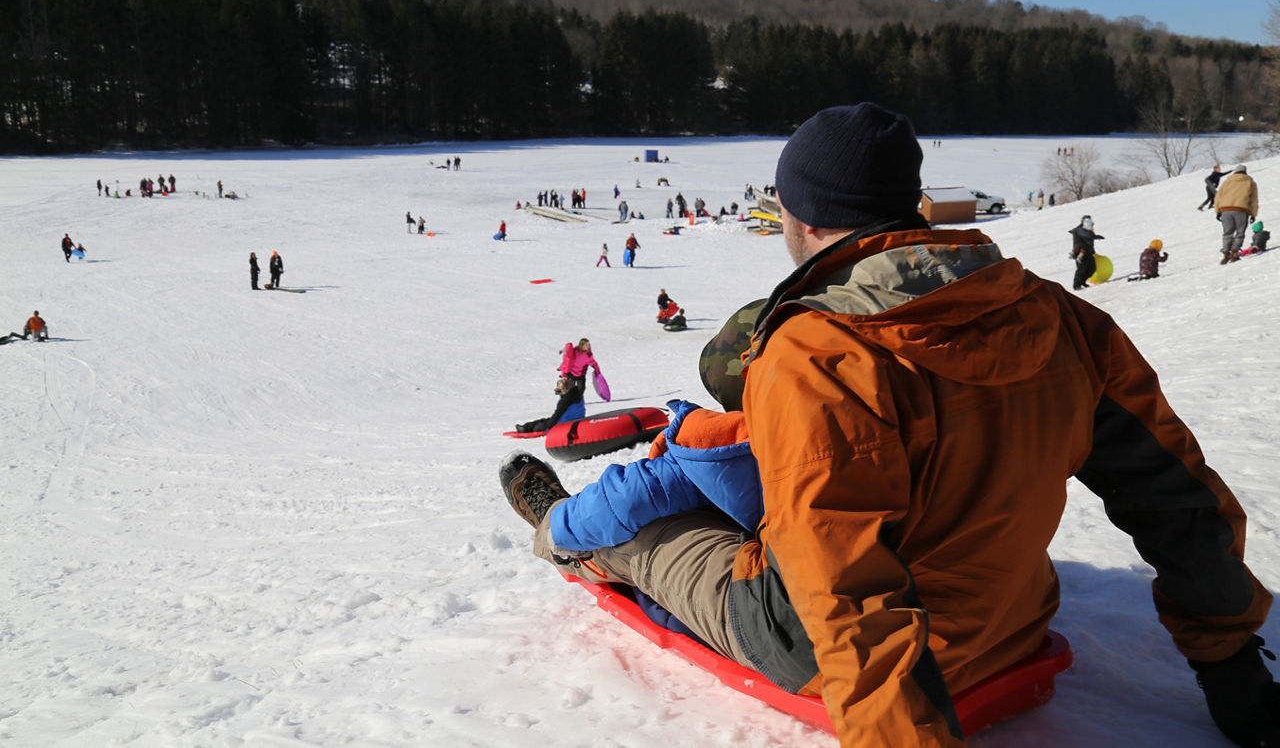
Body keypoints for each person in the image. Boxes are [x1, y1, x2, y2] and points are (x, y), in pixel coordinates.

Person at [498, 103, 1278, 748]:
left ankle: (565, 535)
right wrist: (1232, 666)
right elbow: (1175, 497)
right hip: (1010, 621)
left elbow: (842, 591)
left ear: (798, 221)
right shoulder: (1059, 316)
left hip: (844, 655)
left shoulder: (817, 354)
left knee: (647, 534)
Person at [515, 339, 602, 434]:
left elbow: (557, 415)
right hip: (576, 420)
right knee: (547, 420)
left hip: (563, 424)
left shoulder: (566, 400)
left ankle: (525, 428)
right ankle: (526, 426)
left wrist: (549, 428)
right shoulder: (579, 395)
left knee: (543, 424)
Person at [1215, 164, 1259, 264]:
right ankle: (1234, 253)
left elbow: (1218, 197)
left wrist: (1218, 211)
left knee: (1227, 233)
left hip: (1225, 210)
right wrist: (1253, 214)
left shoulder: (1227, 182)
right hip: (1242, 210)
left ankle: (1226, 254)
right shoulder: (1251, 183)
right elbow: (1254, 200)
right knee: (1240, 232)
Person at [1068, 215, 1103, 290]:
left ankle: (1083, 282)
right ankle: (1076, 285)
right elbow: (1079, 243)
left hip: (1089, 253)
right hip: (1081, 254)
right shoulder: (1079, 231)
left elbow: (1090, 236)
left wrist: (1096, 237)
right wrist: (1079, 253)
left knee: (1092, 269)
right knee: (1081, 270)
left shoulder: (1087, 230)